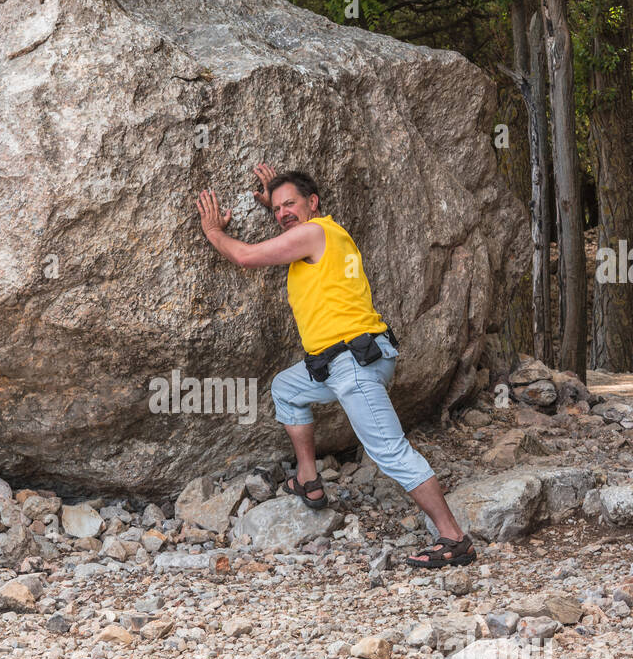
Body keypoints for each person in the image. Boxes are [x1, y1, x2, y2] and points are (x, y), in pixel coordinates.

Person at [194, 165, 475, 568]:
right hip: (346, 362)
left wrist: (214, 233)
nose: (281, 213)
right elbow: (289, 236)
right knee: (287, 389)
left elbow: (246, 256)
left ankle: (453, 538)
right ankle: (308, 479)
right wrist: (278, 207)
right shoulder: (324, 235)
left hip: (353, 366)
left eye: (290, 204)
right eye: (275, 209)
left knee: (389, 452)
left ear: (314, 202)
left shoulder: (313, 233)